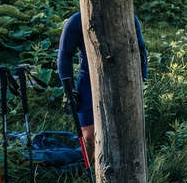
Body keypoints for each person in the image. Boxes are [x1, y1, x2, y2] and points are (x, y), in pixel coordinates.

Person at [57, 11, 147, 164]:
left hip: (122, 80)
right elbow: (64, 54)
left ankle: (121, 166)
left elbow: (140, 50)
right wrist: (69, 89)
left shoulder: (128, 17)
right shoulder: (77, 21)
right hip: (88, 81)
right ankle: (90, 169)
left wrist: (142, 80)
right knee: (89, 136)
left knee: (121, 131)